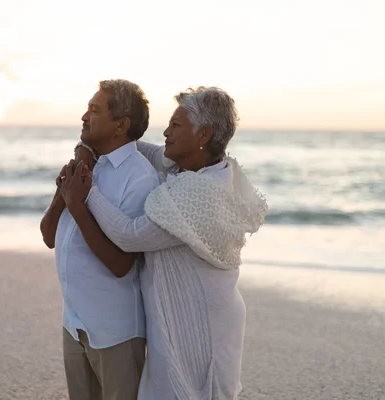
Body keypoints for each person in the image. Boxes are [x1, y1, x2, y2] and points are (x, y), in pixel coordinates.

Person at [60, 87, 268, 399]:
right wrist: (88, 145)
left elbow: (130, 235)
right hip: (172, 318)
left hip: (202, 324)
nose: (166, 132)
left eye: (176, 126)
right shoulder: (183, 167)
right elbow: (131, 147)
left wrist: (86, 194)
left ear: (203, 134)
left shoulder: (202, 193)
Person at [40, 79, 160, 400]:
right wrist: (63, 193)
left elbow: (122, 264)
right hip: (73, 323)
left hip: (115, 332)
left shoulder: (139, 177)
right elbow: (48, 235)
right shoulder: (85, 165)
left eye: (95, 110)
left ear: (121, 125)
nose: (84, 116)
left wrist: (79, 205)